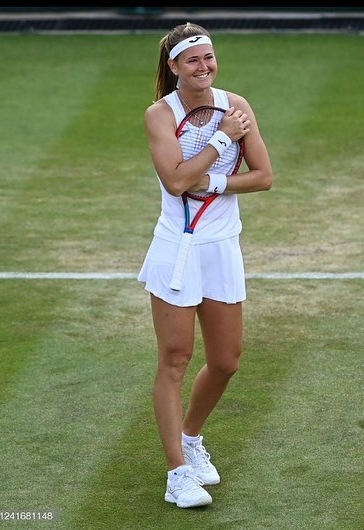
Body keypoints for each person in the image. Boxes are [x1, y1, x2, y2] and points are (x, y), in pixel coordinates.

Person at [137, 22, 273, 509]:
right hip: (176, 248)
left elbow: (263, 176)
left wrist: (212, 183)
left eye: (209, 57)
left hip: (221, 247)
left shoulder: (237, 106)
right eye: (193, 60)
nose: (204, 67)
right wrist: (219, 143)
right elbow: (175, 183)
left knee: (225, 361)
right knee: (174, 360)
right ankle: (177, 473)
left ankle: (191, 439)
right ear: (174, 67)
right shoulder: (159, 115)